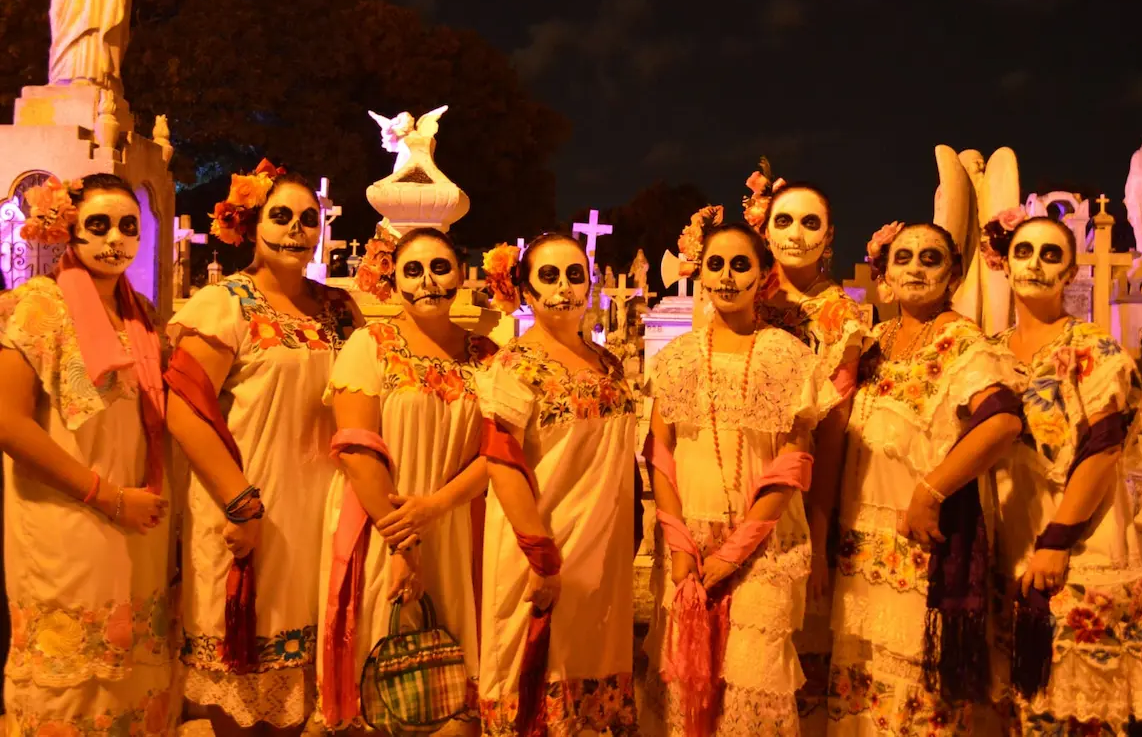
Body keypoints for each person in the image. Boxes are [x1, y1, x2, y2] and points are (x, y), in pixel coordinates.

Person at [165, 160, 362, 733]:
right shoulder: (224, 305)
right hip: (246, 513)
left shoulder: (339, 312)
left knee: (299, 693)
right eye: (281, 216)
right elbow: (185, 409)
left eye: (308, 218)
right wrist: (240, 502)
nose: (296, 228)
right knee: (243, 700)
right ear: (252, 225)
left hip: (316, 523)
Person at [642, 217, 838, 736]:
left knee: (754, 690)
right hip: (687, 544)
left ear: (763, 274)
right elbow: (659, 452)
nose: (727, 276)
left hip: (764, 546)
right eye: (716, 264)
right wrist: (680, 541)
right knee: (688, 685)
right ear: (700, 273)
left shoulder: (790, 358)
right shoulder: (675, 358)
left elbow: (794, 461)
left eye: (740, 264)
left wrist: (737, 548)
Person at [827, 222, 1021, 735]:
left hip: (918, 549)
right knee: (862, 696)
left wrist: (930, 490)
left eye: (930, 258)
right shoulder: (875, 343)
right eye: (904, 257)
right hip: (860, 547)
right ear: (884, 274)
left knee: (915, 698)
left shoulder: (961, 341)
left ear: (953, 274)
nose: (915, 266)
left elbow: (1002, 421)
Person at [0, 173, 175, 732]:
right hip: (68, 521)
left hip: (135, 520)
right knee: (70, 686)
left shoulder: (139, 314)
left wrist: (129, 502)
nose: (115, 240)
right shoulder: (37, 307)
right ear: (68, 230)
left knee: (131, 677)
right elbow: (7, 422)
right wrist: (105, 496)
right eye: (97, 226)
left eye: (129, 226)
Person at [318, 224, 497, 732]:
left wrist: (436, 507)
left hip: (457, 529)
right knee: (383, 679)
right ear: (393, 279)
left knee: (449, 690)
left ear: (461, 275)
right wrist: (403, 544)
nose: (427, 281)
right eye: (412, 270)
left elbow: (500, 453)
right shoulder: (369, 345)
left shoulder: (487, 358)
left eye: (440, 268)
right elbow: (356, 449)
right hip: (383, 531)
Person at [981, 212, 1142, 735]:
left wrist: (1056, 542)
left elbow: (1104, 447)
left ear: (1072, 272)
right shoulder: (988, 352)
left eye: (1051, 254)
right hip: (1011, 551)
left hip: (1079, 553)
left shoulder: (1094, 349)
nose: (1035, 263)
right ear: (1004, 264)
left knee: (1075, 717)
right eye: (1024, 251)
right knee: (1021, 713)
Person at [473, 233, 638, 736]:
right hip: (544, 552)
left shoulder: (608, 365)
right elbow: (502, 461)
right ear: (524, 290)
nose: (563, 287)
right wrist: (539, 553)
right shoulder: (513, 365)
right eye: (548, 276)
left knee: (592, 685)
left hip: (601, 560)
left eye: (574, 274)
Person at [745, 168, 870, 732]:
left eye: (809, 222)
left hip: (796, 497)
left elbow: (832, 436)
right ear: (764, 229)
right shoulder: (740, 289)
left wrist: (818, 540)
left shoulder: (840, 319)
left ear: (829, 235)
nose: (795, 233)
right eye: (784, 220)